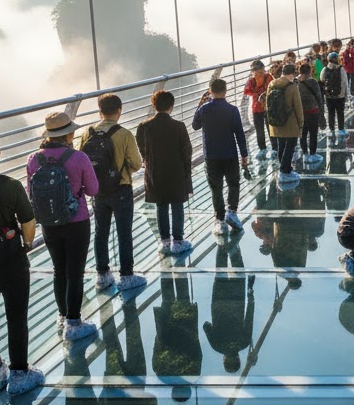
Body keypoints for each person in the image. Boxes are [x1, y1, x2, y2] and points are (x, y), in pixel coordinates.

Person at [0, 129, 45, 396]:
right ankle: (20, 373)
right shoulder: (9, 185)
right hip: (10, 260)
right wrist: (27, 244)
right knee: (16, 315)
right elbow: (28, 221)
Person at [26, 111, 99, 342]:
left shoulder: (33, 159)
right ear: (69, 133)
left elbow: (31, 192)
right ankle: (74, 322)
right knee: (75, 272)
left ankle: (62, 314)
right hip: (76, 221)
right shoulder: (78, 158)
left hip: (49, 223)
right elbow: (93, 190)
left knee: (59, 270)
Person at [79, 94, 144, 293]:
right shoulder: (124, 134)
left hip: (97, 190)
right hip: (121, 188)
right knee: (124, 232)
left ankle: (103, 275)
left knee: (101, 232)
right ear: (119, 110)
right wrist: (120, 171)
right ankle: (126, 276)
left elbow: (83, 161)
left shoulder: (87, 133)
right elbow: (137, 163)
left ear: (100, 111)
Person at [136, 90, 193, 257]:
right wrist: (187, 174)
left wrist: (148, 160)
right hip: (176, 172)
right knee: (177, 205)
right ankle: (178, 241)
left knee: (161, 206)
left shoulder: (144, 126)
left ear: (154, 105)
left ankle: (164, 241)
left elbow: (142, 149)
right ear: (171, 106)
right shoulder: (179, 126)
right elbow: (187, 152)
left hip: (155, 172)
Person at [192, 78, 248, 240]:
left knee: (216, 188)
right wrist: (244, 154)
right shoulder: (232, 110)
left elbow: (195, 126)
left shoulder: (204, 109)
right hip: (230, 154)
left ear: (210, 91)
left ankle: (220, 220)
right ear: (226, 91)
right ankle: (232, 212)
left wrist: (200, 104)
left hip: (211, 156)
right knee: (233, 184)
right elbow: (239, 133)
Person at [265, 63, 304, 186]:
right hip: (289, 121)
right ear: (292, 74)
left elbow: (267, 103)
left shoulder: (272, 84)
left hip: (275, 121)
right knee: (291, 145)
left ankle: (284, 168)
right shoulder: (292, 86)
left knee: (281, 144)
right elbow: (298, 107)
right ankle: (284, 170)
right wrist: (301, 124)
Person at [243, 60, 274, 158]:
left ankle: (275, 148)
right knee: (259, 130)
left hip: (268, 106)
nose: (262, 73)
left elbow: (274, 86)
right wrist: (256, 92)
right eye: (259, 72)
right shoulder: (251, 81)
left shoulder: (268, 77)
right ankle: (262, 149)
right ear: (254, 72)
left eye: (262, 71)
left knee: (271, 128)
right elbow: (246, 91)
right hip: (256, 109)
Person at [296, 63, 323, 163]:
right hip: (312, 111)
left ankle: (304, 154)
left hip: (300, 112)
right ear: (309, 71)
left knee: (302, 134)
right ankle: (313, 154)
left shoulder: (295, 82)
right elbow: (319, 98)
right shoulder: (313, 82)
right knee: (313, 133)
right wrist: (322, 113)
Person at [320, 51, 349, 137]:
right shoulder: (341, 69)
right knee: (340, 112)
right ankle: (341, 129)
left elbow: (322, 80)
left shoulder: (325, 69)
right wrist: (346, 96)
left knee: (330, 113)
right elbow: (345, 83)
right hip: (340, 95)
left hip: (329, 96)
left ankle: (331, 129)